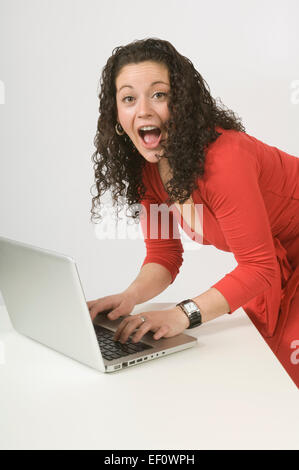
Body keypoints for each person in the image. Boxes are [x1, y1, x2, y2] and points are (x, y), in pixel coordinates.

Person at [87, 38, 299, 388]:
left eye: (158, 94)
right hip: (281, 266)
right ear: (117, 116)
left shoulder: (226, 158)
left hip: (274, 266)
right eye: (128, 98)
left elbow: (258, 267)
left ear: (182, 103)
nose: (143, 110)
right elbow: (164, 256)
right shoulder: (148, 173)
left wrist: (182, 315)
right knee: (266, 374)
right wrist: (129, 298)